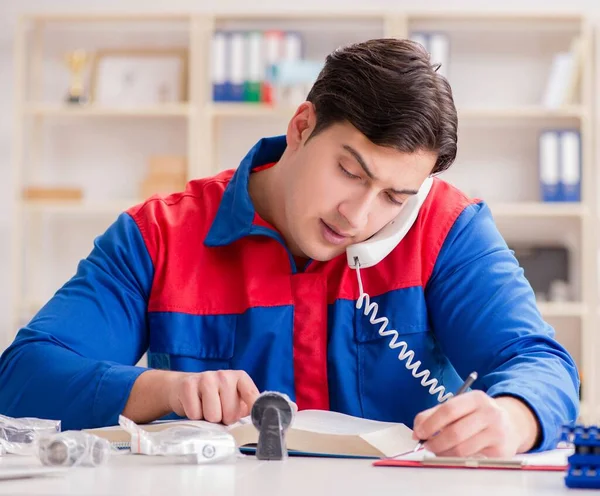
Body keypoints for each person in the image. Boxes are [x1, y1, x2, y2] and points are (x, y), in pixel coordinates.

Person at [0, 38, 578, 458]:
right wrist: (161, 389)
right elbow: (23, 374)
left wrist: (513, 417)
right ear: (302, 127)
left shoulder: (446, 229)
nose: (360, 216)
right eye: (350, 172)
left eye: (394, 196)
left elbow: (542, 364)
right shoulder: (159, 236)